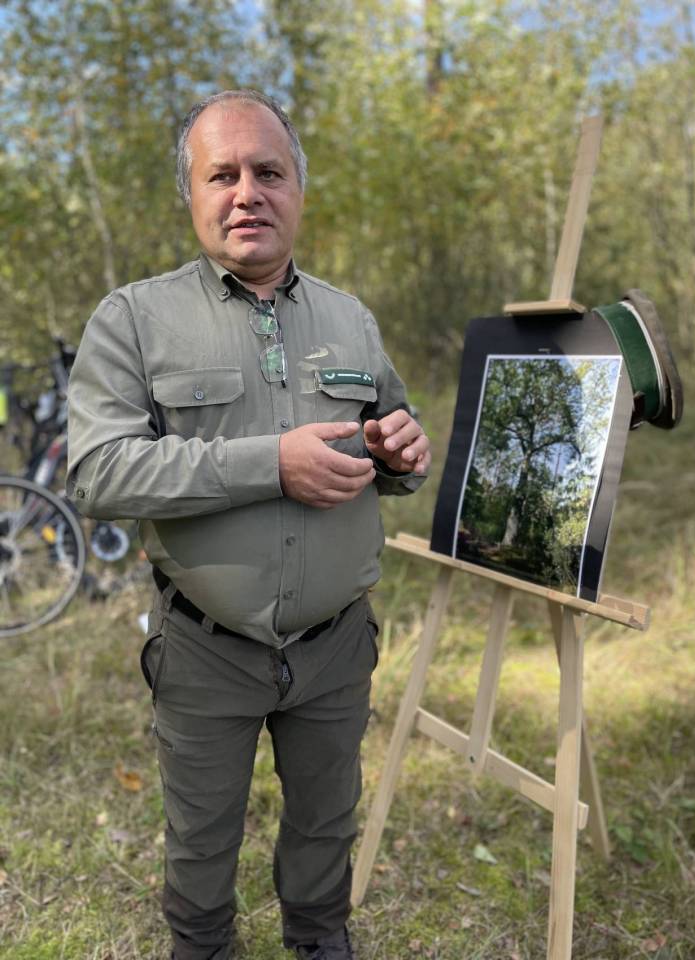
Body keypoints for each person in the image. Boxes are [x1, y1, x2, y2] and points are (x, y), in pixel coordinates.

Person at [67, 89, 430, 960]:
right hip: (206, 647)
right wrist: (269, 463)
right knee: (201, 837)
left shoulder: (351, 318)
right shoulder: (134, 319)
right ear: (190, 194)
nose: (246, 194)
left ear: (297, 189)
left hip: (336, 646)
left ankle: (320, 937)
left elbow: (392, 438)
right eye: (221, 175)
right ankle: (202, 946)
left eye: (268, 172)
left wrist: (400, 452)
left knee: (325, 823)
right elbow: (98, 472)